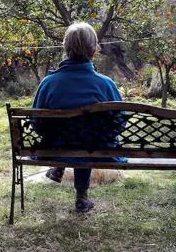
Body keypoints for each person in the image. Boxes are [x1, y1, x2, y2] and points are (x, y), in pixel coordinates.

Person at [32, 22, 124, 213]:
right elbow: (119, 122)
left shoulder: (49, 83)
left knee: (72, 138)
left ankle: (60, 167)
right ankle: (81, 197)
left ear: (66, 49)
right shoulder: (105, 84)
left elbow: (37, 122)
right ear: (93, 51)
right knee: (88, 140)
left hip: (57, 147)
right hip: (96, 146)